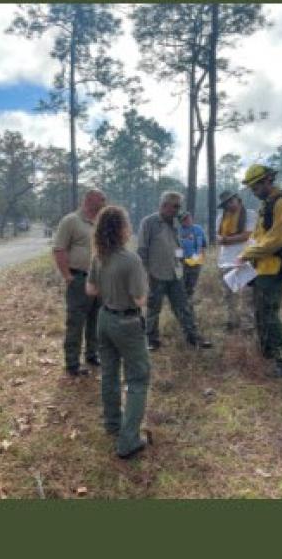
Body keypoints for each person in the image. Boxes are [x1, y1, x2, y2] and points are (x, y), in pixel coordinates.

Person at [85, 206, 152, 459]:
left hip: (105, 318)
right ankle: (129, 441)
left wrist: (109, 288)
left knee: (110, 373)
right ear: (123, 228)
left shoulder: (98, 257)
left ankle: (113, 424)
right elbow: (139, 300)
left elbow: (91, 290)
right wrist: (144, 287)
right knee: (138, 378)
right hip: (126, 322)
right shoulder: (130, 260)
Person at [241, 165, 282, 378]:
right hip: (261, 268)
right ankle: (268, 352)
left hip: (273, 269)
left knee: (269, 316)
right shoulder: (267, 205)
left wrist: (247, 254)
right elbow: (260, 237)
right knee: (261, 313)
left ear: (267, 181)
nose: (253, 191)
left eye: (255, 186)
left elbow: (276, 240)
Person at [136, 192, 212, 351]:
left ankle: (193, 338)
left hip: (175, 274)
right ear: (164, 205)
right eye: (176, 206)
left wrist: (182, 260)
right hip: (156, 273)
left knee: (183, 306)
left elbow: (177, 247)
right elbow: (142, 250)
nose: (178, 210)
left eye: (179, 206)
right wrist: (145, 273)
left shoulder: (177, 224)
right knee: (153, 308)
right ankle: (152, 340)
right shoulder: (149, 222)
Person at [52, 189, 106, 376]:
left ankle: (92, 354)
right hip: (79, 278)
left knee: (96, 319)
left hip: (99, 279)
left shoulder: (100, 223)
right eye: (101, 198)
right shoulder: (71, 221)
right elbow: (59, 249)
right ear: (90, 199)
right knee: (76, 321)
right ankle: (72, 363)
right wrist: (67, 276)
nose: (104, 201)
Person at [215, 190, 255, 331]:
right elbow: (218, 237)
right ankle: (231, 321)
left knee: (247, 295)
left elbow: (246, 235)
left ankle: (247, 325)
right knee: (228, 295)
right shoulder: (221, 217)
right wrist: (224, 240)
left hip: (245, 260)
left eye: (231, 201)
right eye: (226, 204)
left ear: (238, 199)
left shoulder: (250, 214)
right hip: (225, 260)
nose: (229, 205)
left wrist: (226, 239)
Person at [177, 211, 207, 300]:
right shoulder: (177, 232)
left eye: (189, 218)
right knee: (180, 284)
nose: (188, 220)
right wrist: (179, 261)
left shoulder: (199, 229)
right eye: (185, 219)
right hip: (181, 262)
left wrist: (200, 257)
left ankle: (189, 302)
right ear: (181, 221)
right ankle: (181, 302)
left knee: (191, 284)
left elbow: (204, 245)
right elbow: (175, 247)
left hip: (196, 261)